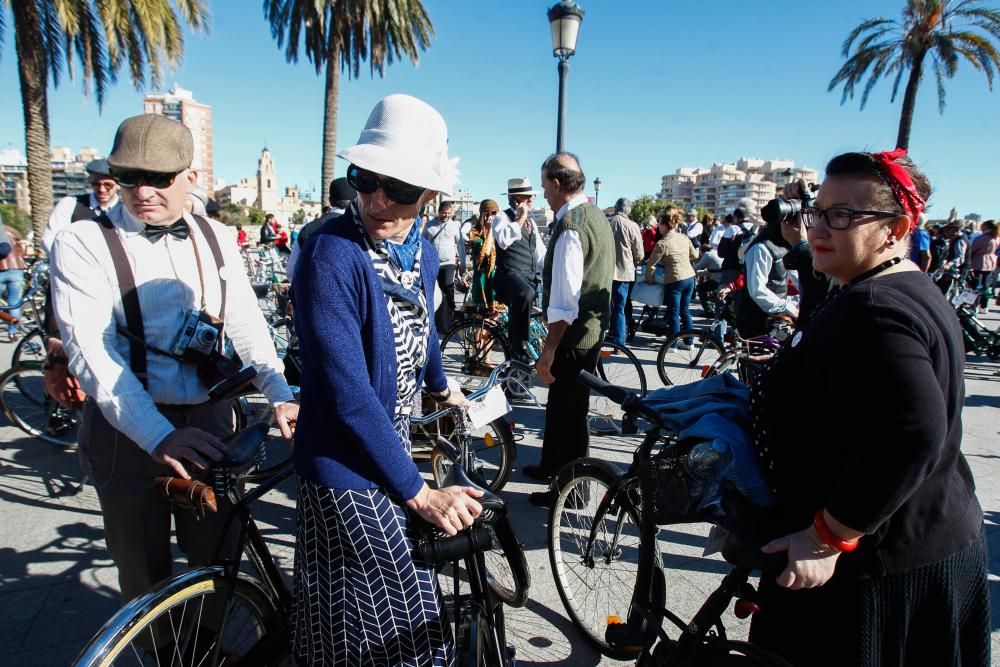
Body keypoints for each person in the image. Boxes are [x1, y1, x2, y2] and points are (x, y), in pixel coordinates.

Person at [747, 149, 989, 667]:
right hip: (931, 532)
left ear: (895, 227)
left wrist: (828, 535)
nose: (820, 226)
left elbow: (914, 434)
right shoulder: (903, 284)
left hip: (885, 568)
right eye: (818, 210)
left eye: (845, 215)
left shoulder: (874, 308)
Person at [49, 114, 298, 612]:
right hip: (125, 429)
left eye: (159, 178)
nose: (142, 191)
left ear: (190, 176)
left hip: (209, 419)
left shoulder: (217, 235)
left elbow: (247, 323)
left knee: (218, 555)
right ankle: (161, 653)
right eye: (127, 177)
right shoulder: (82, 241)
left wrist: (280, 394)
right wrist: (156, 434)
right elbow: (91, 351)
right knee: (142, 566)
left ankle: (209, 646)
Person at [289, 94, 480, 665]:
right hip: (342, 459)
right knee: (408, 616)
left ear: (429, 195)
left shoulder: (419, 250)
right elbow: (348, 394)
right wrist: (419, 492)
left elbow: (421, 332)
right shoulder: (331, 254)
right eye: (365, 179)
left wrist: (445, 385)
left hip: (386, 449)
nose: (375, 199)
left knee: (339, 616)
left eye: (396, 188)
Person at [522, 153, 613, 506]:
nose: (544, 193)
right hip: (589, 329)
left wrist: (548, 349)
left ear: (558, 185)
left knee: (570, 414)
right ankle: (552, 468)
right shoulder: (594, 215)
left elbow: (564, 301)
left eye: (545, 186)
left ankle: (572, 493)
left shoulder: (571, 226)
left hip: (575, 335)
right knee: (563, 409)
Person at [492, 177, 546, 362]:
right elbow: (504, 240)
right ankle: (518, 347)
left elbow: (541, 257)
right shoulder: (502, 218)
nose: (531, 200)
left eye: (531, 196)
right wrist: (520, 218)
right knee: (525, 294)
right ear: (515, 199)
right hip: (508, 277)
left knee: (535, 294)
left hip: (528, 277)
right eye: (527, 197)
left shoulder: (533, 225)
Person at [735, 212, 798, 339]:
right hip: (759, 320)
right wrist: (787, 306)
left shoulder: (783, 245)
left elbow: (795, 276)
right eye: (794, 224)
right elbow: (757, 290)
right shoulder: (761, 247)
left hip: (776, 316)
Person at [42, 158, 120, 257]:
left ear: (118, 184)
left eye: (108, 185)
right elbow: (50, 238)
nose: (102, 189)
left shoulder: (126, 209)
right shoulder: (70, 204)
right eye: (96, 184)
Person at [646, 209, 698, 346]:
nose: (658, 227)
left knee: (674, 313)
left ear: (664, 225)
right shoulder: (684, 237)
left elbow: (651, 265)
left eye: (659, 224)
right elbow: (695, 255)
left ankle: (672, 343)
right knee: (685, 310)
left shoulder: (662, 244)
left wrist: (650, 280)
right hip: (690, 277)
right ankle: (689, 341)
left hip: (675, 279)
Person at [287, 177, 356, 282]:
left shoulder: (307, 229)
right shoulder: (358, 227)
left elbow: (291, 272)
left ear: (330, 201)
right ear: (355, 200)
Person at [422, 200, 467, 332]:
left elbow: (461, 246)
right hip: (433, 262)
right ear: (439, 212)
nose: (446, 216)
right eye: (444, 213)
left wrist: (463, 263)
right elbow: (422, 243)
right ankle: (436, 320)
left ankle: (449, 318)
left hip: (449, 262)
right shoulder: (430, 226)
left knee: (448, 288)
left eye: (449, 213)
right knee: (435, 292)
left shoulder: (454, 226)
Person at [607, 197, 643, 345]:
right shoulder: (632, 226)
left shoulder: (607, 222)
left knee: (608, 306)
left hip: (606, 271)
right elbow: (639, 253)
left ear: (616, 208)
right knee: (621, 306)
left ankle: (611, 334)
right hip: (624, 272)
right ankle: (619, 340)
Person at [467, 201, 499, 310]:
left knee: (496, 319)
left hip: (497, 279)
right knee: (481, 319)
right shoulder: (474, 232)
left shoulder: (500, 232)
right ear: (483, 214)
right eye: (490, 213)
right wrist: (490, 230)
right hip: (482, 280)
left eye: (495, 213)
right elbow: (483, 254)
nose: (492, 216)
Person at [0, 223, 27, 341]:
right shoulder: (12, 230)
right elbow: (20, 248)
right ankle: (13, 332)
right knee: (14, 302)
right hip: (16, 268)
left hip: (1, 269)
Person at [970, 219, 998, 311]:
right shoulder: (996, 237)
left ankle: (974, 305)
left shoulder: (984, 237)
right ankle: (984, 305)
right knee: (986, 285)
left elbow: (973, 248)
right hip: (990, 262)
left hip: (979, 261)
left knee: (976, 285)